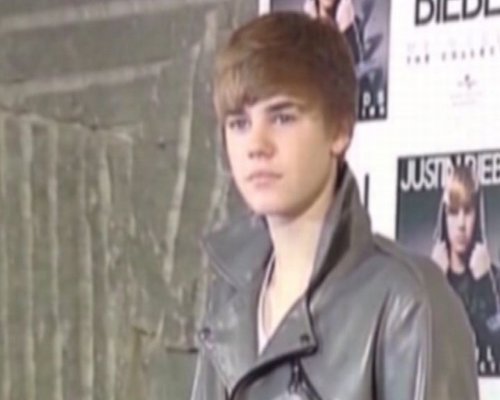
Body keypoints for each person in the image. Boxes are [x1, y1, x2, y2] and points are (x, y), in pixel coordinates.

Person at [191, 12, 479, 400]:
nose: (256, 145)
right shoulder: (229, 297)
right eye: (239, 123)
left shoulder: (408, 300)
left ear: (340, 129)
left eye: (282, 117)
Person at [432, 164, 500, 376]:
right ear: (444, 218)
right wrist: (434, 286)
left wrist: (485, 287)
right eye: (453, 212)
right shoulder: (427, 278)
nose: (461, 224)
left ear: (477, 216)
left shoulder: (494, 279)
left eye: (468, 211)